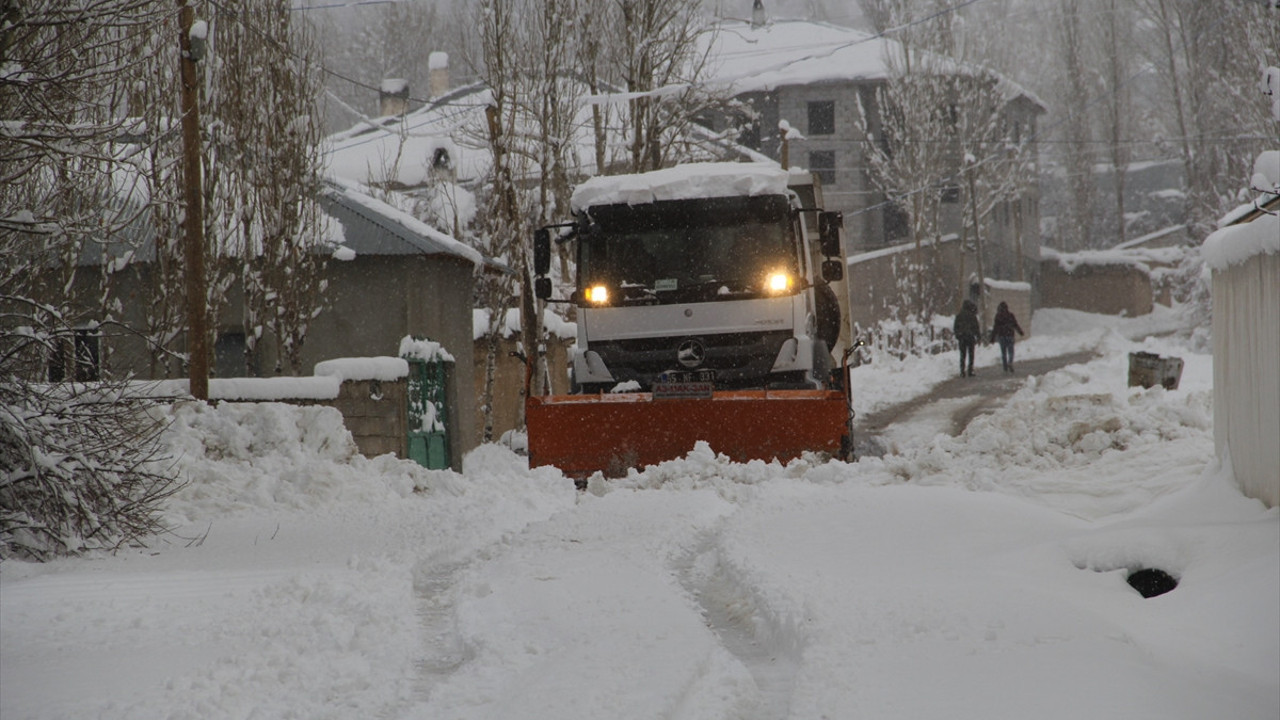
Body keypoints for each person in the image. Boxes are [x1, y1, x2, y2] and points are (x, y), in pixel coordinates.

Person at [990, 301, 1025, 373]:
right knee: (1011, 351)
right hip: (1010, 335)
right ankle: (1010, 362)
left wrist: (992, 337)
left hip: (1002, 336)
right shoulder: (1010, 315)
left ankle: (1005, 367)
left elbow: (995, 328)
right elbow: (1015, 324)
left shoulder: (998, 316)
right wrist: (1020, 332)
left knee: (1003, 353)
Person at [952, 299, 980, 377]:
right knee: (971, 354)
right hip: (970, 337)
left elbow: (955, 327)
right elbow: (976, 327)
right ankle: (970, 370)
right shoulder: (972, 316)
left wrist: (958, 335)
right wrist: (978, 336)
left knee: (962, 355)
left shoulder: (959, 315)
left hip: (962, 337)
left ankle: (962, 371)